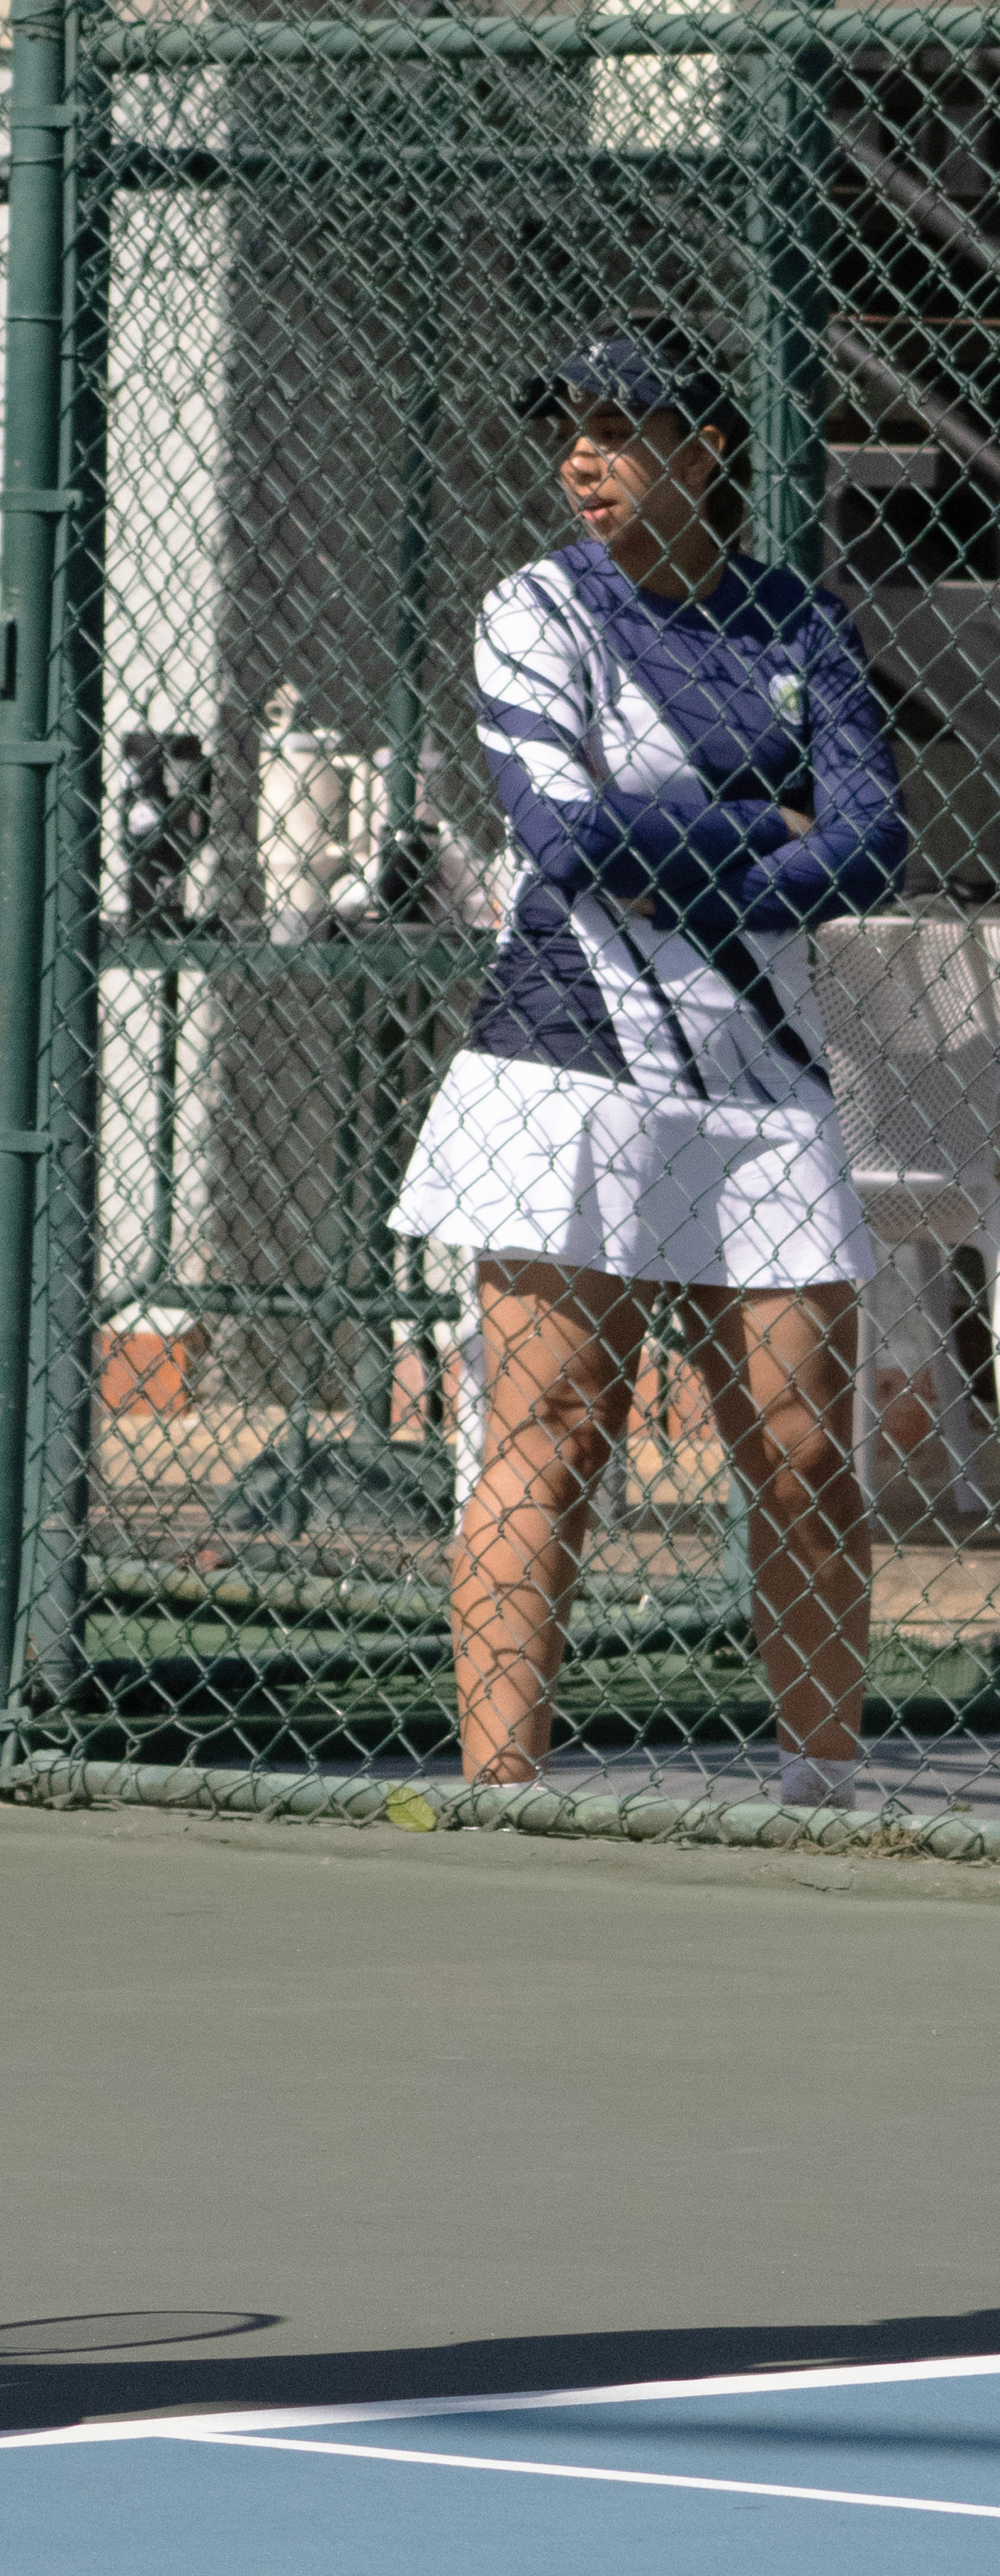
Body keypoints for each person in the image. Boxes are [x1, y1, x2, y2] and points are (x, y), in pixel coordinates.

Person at [391, 333, 906, 1799]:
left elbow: (874, 843)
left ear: (705, 450)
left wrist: (695, 863)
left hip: (765, 1073)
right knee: (552, 1433)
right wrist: (768, 837)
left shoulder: (794, 618)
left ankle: (820, 1800)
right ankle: (503, 1799)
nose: (583, 454)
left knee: (802, 1452)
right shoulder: (534, 608)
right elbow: (562, 838)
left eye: (622, 425)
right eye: (572, 425)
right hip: (569, 1056)